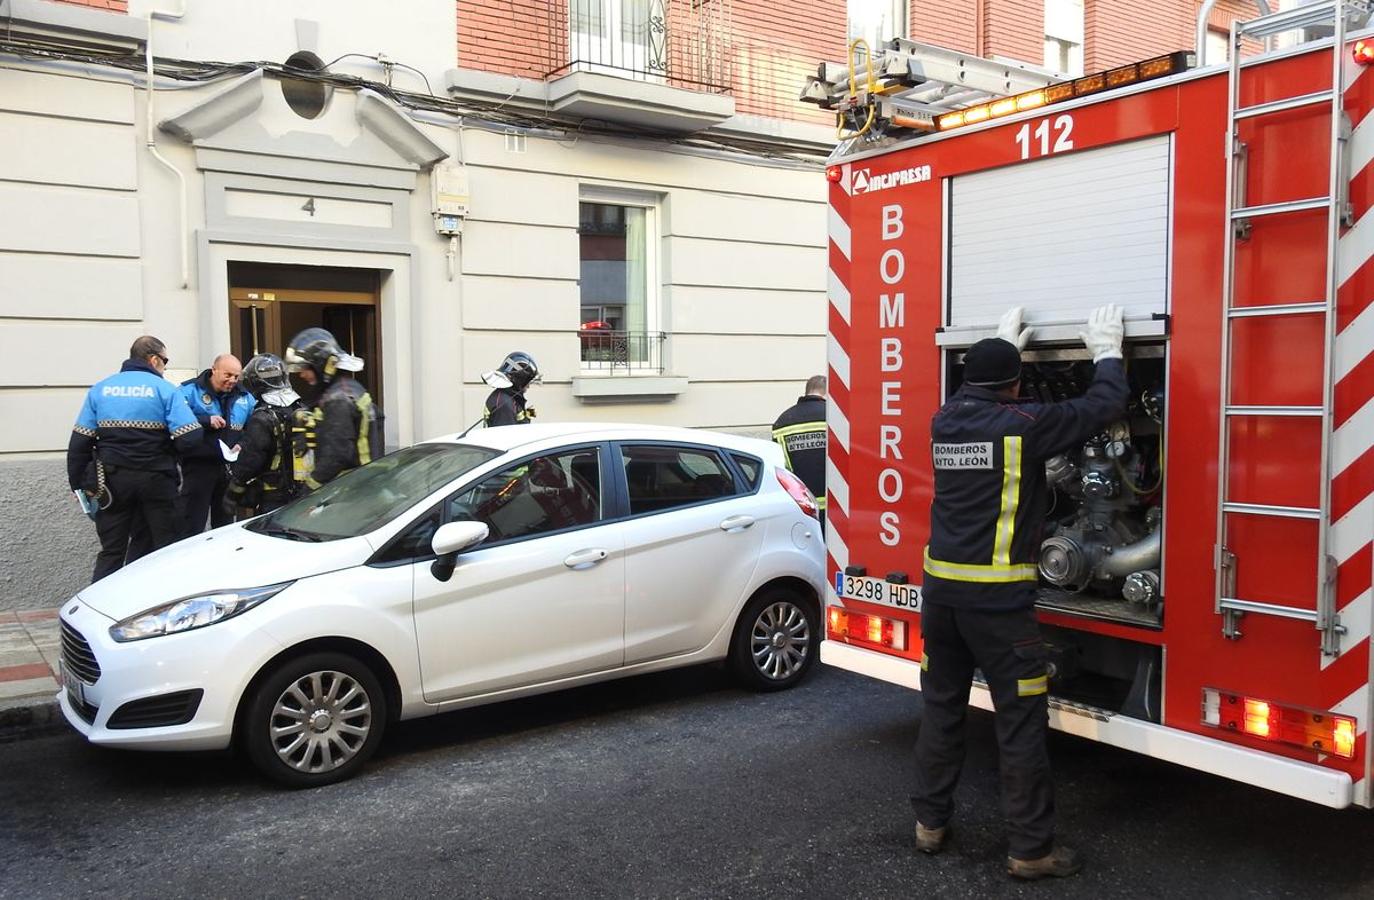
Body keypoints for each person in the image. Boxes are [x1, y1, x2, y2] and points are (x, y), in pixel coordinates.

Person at [912, 304, 1128, 880]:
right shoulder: (1024, 425)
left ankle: (929, 826)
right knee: (1019, 720)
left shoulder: (944, 419)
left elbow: (978, 394)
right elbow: (1101, 406)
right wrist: (1107, 350)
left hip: (942, 598)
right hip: (1000, 608)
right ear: (1014, 385)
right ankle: (1031, 851)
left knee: (941, 707)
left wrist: (1000, 347)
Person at [67, 335, 203, 582]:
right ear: (153, 360)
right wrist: (170, 449)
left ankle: (100, 608)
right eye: (165, 361)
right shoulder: (165, 390)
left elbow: (79, 443)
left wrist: (77, 485)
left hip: (112, 482)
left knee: (112, 551)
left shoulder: (101, 389)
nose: (164, 366)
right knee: (166, 549)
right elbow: (191, 438)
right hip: (157, 481)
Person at [284, 327, 381, 488]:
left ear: (323, 365)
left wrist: (309, 490)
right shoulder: (343, 389)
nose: (301, 374)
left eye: (306, 368)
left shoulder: (339, 399)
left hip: (352, 488)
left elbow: (337, 456)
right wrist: (314, 433)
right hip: (358, 484)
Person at [177, 353, 253, 535]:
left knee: (225, 528)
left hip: (228, 469)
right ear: (214, 370)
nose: (232, 380)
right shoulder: (189, 391)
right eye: (228, 375)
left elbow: (253, 430)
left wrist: (242, 444)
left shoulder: (246, 397)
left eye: (236, 376)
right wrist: (205, 420)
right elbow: (174, 420)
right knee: (191, 524)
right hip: (198, 468)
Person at [222, 354, 304, 517]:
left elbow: (250, 462)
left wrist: (232, 493)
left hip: (274, 496)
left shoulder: (262, 417)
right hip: (304, 493)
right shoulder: (301, 409)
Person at [772, 375, 827, 524]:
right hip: (833, 503)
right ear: (826, 393)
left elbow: (781, 465)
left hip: (800, 504)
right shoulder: (833, 417)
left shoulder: (782, 421)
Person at [481, 352, 539, 426]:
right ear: (520, 380)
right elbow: (508, 435)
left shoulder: (508, 397)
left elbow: (517, 422)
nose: (528, 386)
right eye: (527, 382)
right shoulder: (504, 404)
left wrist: (527, 415)